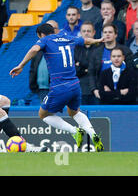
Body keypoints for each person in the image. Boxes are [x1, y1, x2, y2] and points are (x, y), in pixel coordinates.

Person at [10, 23, 105, 152]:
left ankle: (74, 131)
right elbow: (86, 40)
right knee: (74, 112)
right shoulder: (67, 37)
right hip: (75, 85)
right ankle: (92, 133)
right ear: (53, 31)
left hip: (59, 86)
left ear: (40, 35)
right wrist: (98, 40)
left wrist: (21, 65)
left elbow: (34, 49)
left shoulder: (45, 40)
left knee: (43, 114)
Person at [88, 23, 135, 102]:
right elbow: (91, 72)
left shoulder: (125, 51)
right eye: (105, 32)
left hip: (122, 94)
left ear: (116, 35)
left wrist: (120, 91)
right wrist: (94, 89)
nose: (107, 34)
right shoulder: (96, 52)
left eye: (110, 32)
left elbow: (131, 72)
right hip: (102, 92)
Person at [74, 21, 100, 105]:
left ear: (94, 33)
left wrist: (81, 65)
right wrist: (86, 69)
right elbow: (73, 69)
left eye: (89, 31)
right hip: (80, 89)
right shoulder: (75, 48)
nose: (86, 33)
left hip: (96, 89)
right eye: (84, 31)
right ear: (80, 33)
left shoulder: (99, 48)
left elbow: (98, 67)